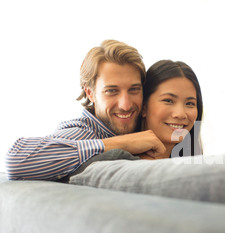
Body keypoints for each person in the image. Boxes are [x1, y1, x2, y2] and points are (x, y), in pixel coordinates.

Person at [5, 40, 166, 181]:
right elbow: (16, 160)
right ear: (90, 93)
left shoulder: (148, 126)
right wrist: (121, 144)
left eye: (134, 90)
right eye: (111, 91)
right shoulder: (83, 132)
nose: (125, 105)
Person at [139, 60, 203, 159]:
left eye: (190, 103)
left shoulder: (194, 168)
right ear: (143, 107)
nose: (180, 114)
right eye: (168, 101)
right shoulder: (116, 161)